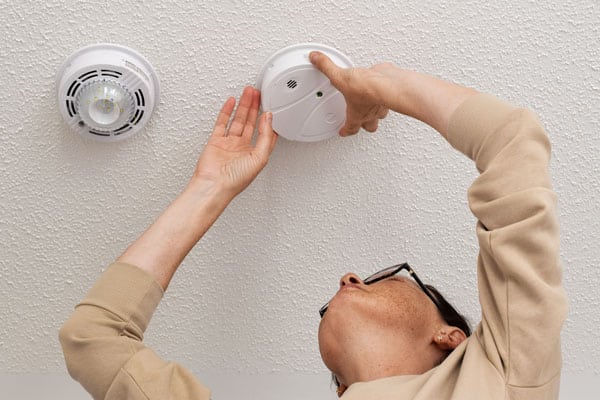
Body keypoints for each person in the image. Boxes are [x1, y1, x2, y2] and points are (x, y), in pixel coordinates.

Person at [59, 51, 568, 400]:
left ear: (452, 342)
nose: (347, 277)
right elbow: (512, 144)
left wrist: (381, 85)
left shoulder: (503, 382)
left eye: (365, 281)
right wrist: (211, 186)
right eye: (382, 275)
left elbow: (93, 339)